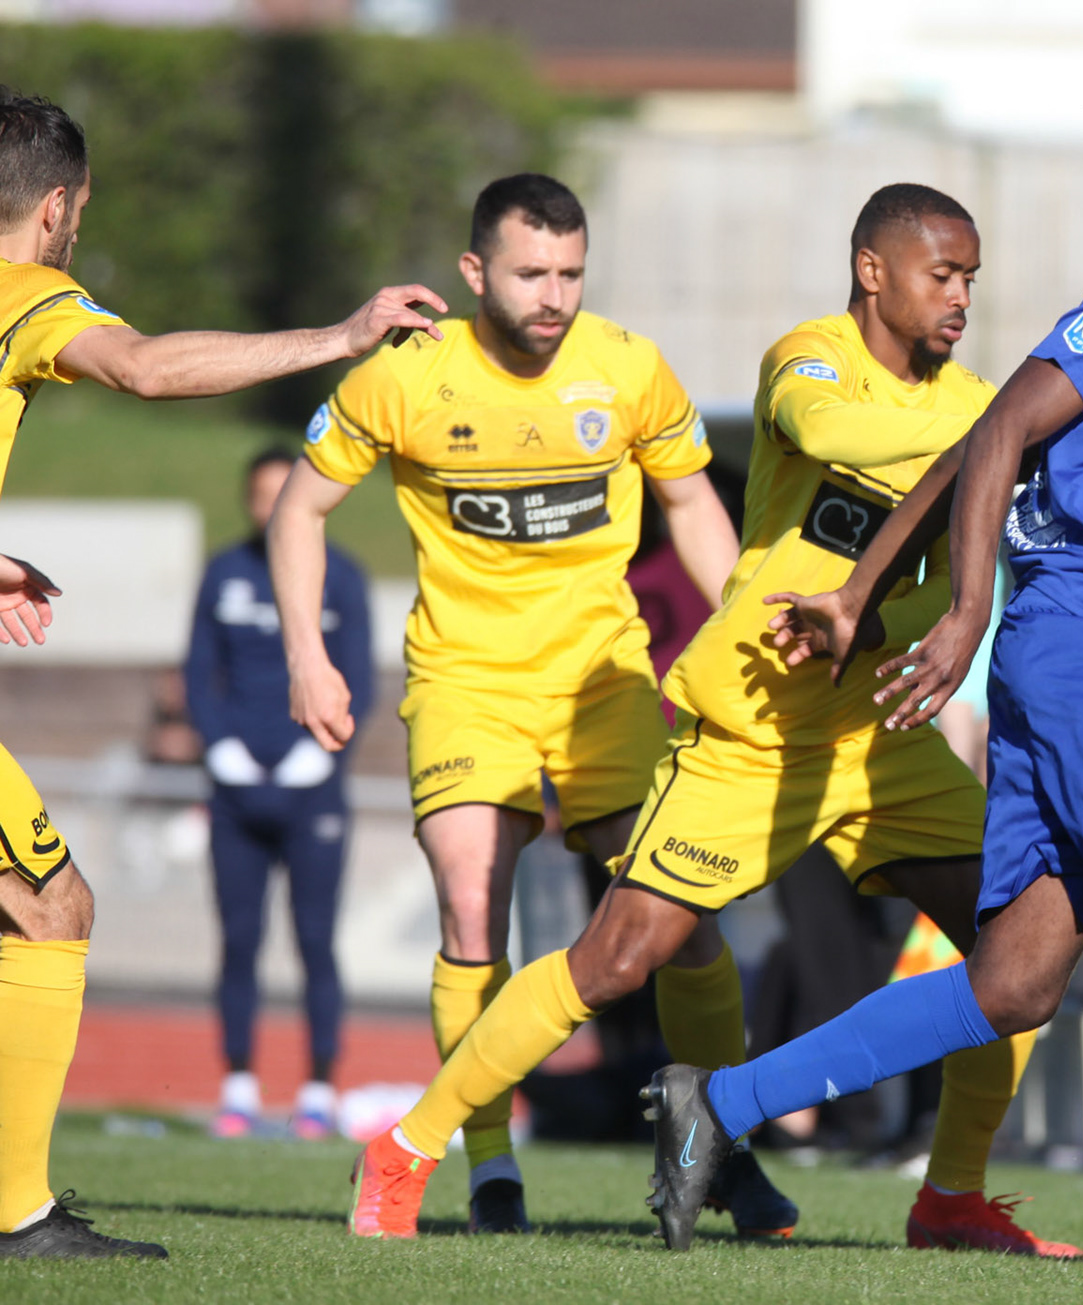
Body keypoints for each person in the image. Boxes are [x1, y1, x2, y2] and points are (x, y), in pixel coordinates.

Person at [344, 181, 1080, 1258]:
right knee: (617, 958)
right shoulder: (810, 361)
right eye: (942, 274)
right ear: (873, 271)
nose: (962, 295)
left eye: (972, 277)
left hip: (878, 740)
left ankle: (951, 1198)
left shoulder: (972, 399)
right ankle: (407, 1146)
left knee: (1025, 946)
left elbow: (972, 530)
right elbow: (837, 433)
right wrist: (1005, 432)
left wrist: (1001, 448)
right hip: (755, 733)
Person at [646, 95, 1083, 1269]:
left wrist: (862, 589)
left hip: (1076, 654)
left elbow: (977, 438)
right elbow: (1000, 432)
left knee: (1014, 984)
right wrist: (962, 613)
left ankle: (721, 1105)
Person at [267, 173, 777, 1236]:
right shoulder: (404, 374)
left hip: (605, 682)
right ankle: (490, 1165)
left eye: (571, 274)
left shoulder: (627, 366)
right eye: (532, 272)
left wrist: (743, 629)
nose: (554, 296)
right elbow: (301, 510)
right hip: (466, 681)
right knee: (470, 905)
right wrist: (307, 656)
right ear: (474, 272)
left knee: (684, 917)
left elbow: (692, 499)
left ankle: (721, 1149)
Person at [0, 86, 443, 1260]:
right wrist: (340, 339)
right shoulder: (26, 296)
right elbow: (148, 368)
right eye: (81, 211)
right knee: (49, 909)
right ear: (57, 207)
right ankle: (17, 1218)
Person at [186, 447, 373, 1140]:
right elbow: (198, 670)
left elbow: (361, 679)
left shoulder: (342, 576)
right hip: (235, 792)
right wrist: (219, 745)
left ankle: (318, 1089)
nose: (272, 508)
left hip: (312, 793)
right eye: (261, 494)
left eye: (283, 493)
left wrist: (320, 752)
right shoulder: (223, 573)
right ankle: (237, 1085)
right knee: (238, 938)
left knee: (315, 939)